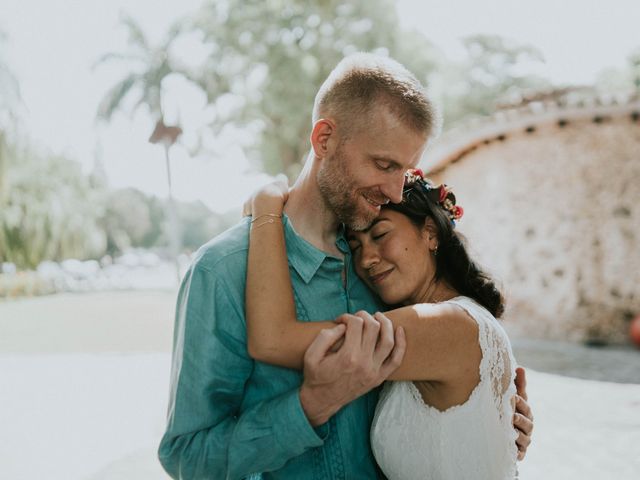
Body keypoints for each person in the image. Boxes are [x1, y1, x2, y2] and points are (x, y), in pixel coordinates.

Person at [158, 53, 533, 479]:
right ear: (324, 139)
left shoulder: (387, 276)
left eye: (405, 170)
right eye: (384, 165)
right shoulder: (223, 271)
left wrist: (491, 420)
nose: (395, 191)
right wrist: (307, 407)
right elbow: (187, 457)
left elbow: (448, 390)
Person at [245, 169, 521, 479]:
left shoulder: (447, 324)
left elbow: (273, 341)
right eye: (356, 246)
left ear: (430, 232)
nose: (366, 260)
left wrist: (265, 209)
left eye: (380, 235)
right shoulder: (438, 326)